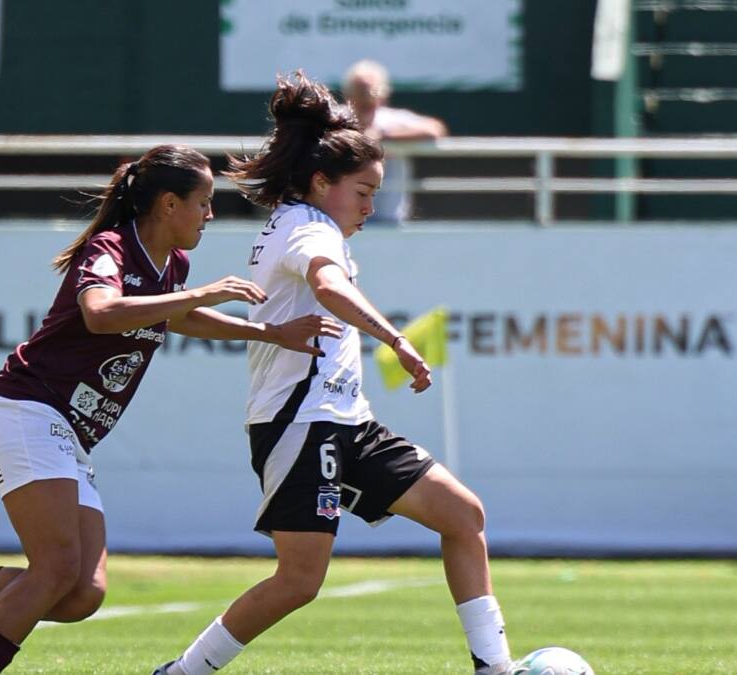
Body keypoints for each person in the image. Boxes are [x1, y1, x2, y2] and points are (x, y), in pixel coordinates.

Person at [0, 144, 343, 675]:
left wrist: (268, 333)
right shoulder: (111, 247)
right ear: (168, 203)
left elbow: (175, 318)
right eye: (204, 202)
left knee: (81, 593)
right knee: (54, 571)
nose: (210, 215)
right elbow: (101, 314)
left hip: (65, 430)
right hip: (26, 409)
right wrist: (202, 294)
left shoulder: (173, 262)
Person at [153, 72, 515, 675]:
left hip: (346, 420)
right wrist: (395, 338)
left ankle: (495, 666)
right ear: (322, 183)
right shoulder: (307, 227)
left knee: (463, 516)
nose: (371, 206)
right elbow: (327, 284)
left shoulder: (308, 223)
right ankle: (182, 673)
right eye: (364, 191)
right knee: (299, 579)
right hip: (301, 423)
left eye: (377, 193)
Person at [342, 58, 448, 224]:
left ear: (383, 92)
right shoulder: (336, 119)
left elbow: (435, 129)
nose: (365, 95)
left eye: (370, 88)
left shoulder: (391, 120)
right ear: (348, 93)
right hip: (343, 220)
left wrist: (384, 136)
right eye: (359, 89)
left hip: (389, 220)